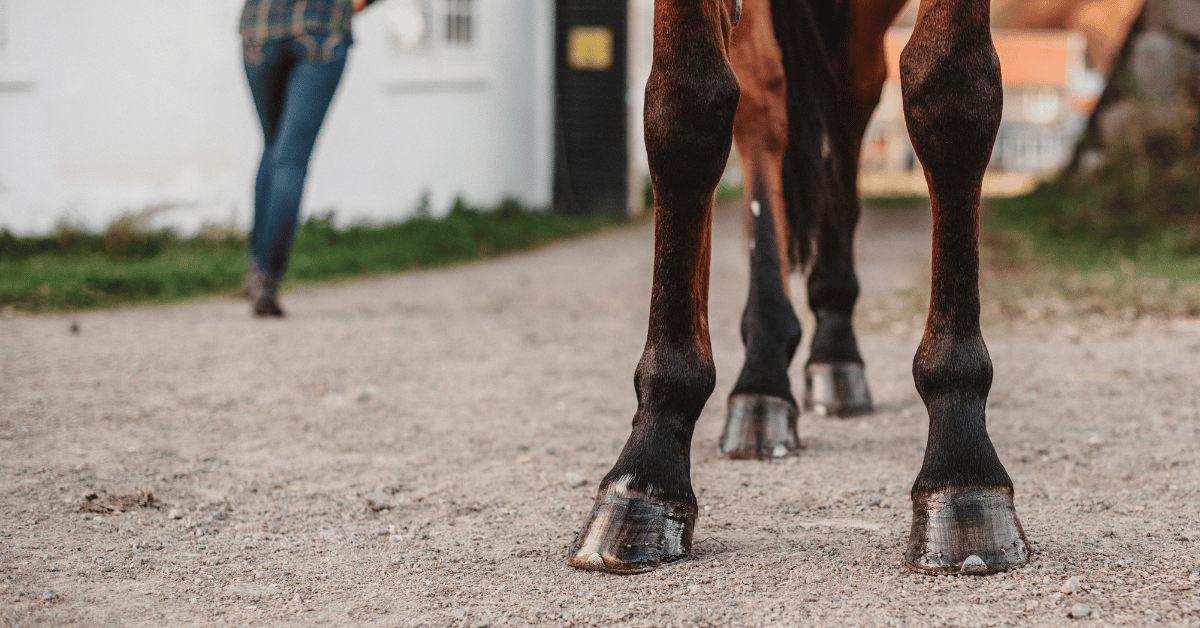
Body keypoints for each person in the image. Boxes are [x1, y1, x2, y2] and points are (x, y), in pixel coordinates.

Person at [240, 0, 376, 317]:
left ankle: (256, 270)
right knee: (290, 158)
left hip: (261, 28)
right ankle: (267, 281)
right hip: (321, 27)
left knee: (274, 148)